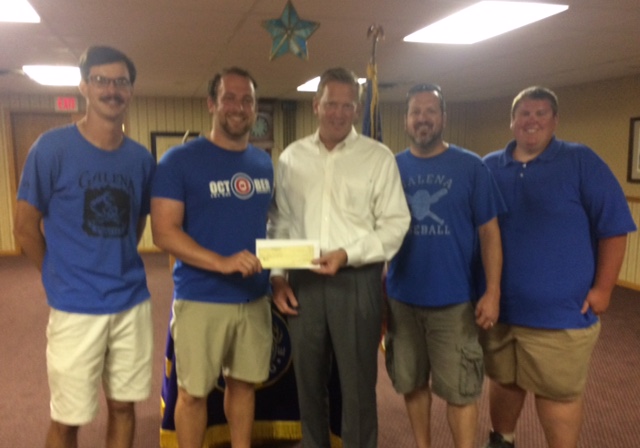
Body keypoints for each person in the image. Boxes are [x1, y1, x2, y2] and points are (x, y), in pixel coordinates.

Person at [13, 46, 155, 448]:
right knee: (68, 419)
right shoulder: (51, 148)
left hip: (131, 302)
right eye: (101, 80)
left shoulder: (140, 159)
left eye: (121, 82)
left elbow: (137, 223)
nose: (112, 89)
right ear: (84, 87)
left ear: (130, 90)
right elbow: (24, 227)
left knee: (125, 408)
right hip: (75, 307)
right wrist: (55, 275)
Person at [481, 86, 637, 448]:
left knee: (557, 394)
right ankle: (502, 440)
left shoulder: (581, 161)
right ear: (512, 120)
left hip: (559, 314)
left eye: (540, 114)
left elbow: (614, 228)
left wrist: (603, 290)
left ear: (555, 121)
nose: (531, 121)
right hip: (500, 309)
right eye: (524, 114)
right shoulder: (489, 166)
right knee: (504, 380)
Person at [268, 67, 411, 448]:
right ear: (316, 105)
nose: (339, 113)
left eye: (348, 106)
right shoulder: (292, 158)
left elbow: (396, 224)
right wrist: (278, 276)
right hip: (302, 282)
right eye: (331, 104)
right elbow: (280, 220)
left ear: (358, 110)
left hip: (356, 280)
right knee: (308, 381)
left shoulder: (378, 157)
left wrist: (348, 253)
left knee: (358, 384)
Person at [150, 67, 273, 448]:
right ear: (211, 104)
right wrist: (221, 262)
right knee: (192, 393)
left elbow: (271, 226)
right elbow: (164, 232)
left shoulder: (263, 163)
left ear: (255, 108)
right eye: (230, 98)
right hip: (201, 297)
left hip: (254, 298)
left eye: (247, 100)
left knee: (244, 386)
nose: (239, 107)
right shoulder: (179, 161)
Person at [384, 84, 504, 448]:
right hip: (402, 300)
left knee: (461, 391)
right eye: (416, 112)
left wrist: (493, 291)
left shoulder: (471, 167)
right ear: (406, 120)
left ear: (444, 118)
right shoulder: (392, 167)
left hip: (454, 302)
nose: (423, 118)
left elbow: (490, 234)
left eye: (430, 111)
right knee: (412, 382)